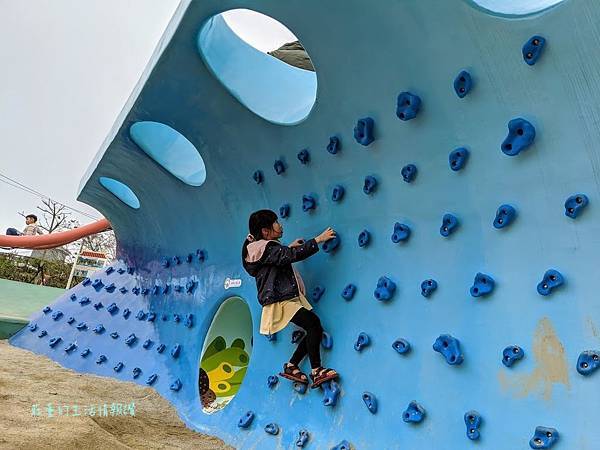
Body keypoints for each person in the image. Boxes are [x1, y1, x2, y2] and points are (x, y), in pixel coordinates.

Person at [241, 209, 339, 389]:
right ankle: (316, 370)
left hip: (280, 298)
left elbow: (279, 256)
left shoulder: (261, 249)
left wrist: (288, 247)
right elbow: (289, 256)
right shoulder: (267, 248)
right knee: (313, 324)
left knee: (313, 327)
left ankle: (292, 366)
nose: (280, 225)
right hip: (281, 299)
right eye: (276, 223)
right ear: (265, 231)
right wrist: (318, 239)